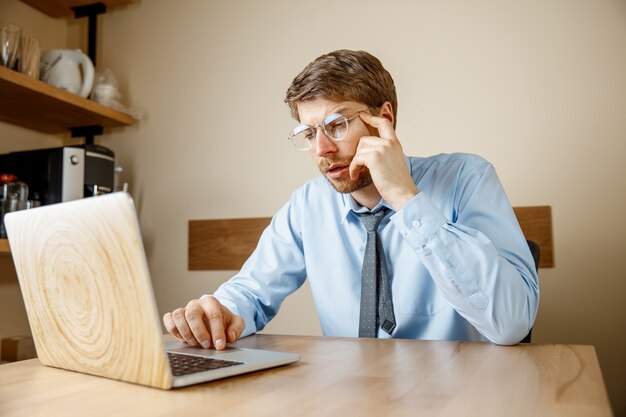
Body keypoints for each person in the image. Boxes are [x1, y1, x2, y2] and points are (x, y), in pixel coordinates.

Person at [163, 49, 539, 350]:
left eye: (336, 125)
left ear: (383, 119)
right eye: (309, 133)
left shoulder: (466, 178)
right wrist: (218, 312)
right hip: (347, 397)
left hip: (459, 399)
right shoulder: (307, 206)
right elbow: (251, 291)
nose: (322, 149)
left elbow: (511, 323)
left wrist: (405, 198)